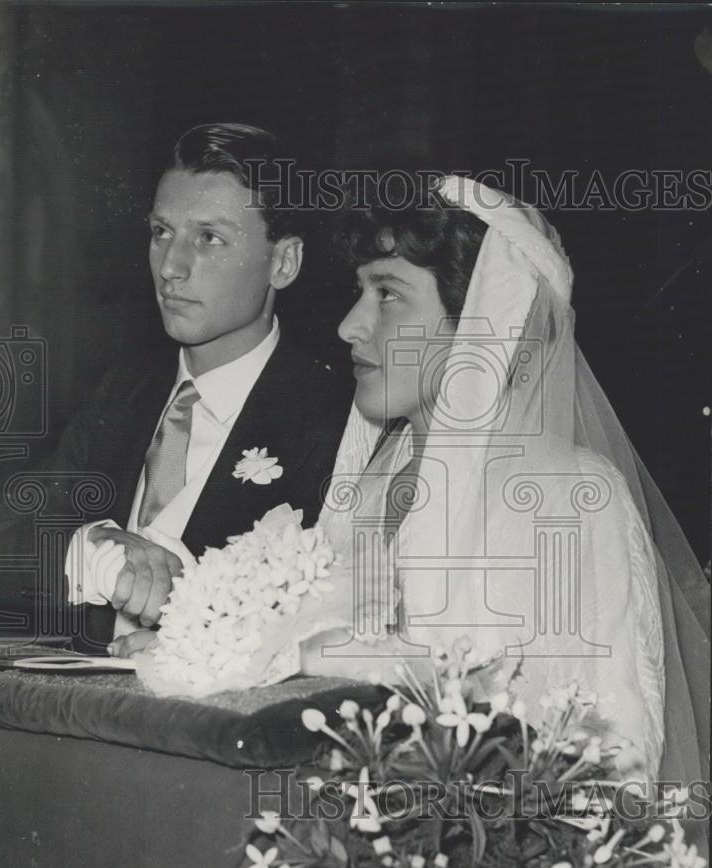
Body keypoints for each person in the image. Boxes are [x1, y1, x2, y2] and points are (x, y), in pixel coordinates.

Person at [293, 173, 709, 789]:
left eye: (387, 295)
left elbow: (617, 763)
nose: (350, 326)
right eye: (360, 292)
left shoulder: (568, 499)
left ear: (482, 324)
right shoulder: (368, 483)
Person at [0, 123, 354, 651]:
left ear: (283, 263)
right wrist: (90, 551)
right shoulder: (124, 392)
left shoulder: (335, 418)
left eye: (209, 238)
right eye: (161, 232)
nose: (171, 267)